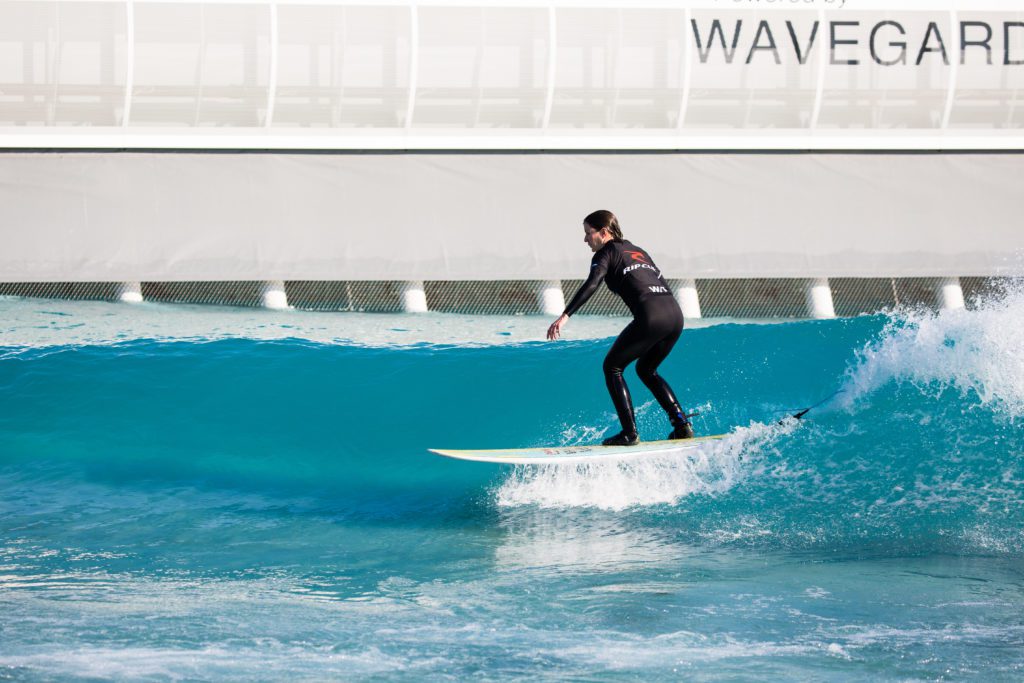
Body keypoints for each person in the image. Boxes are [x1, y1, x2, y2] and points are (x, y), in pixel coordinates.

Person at [547, 210, 694, 446]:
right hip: (675, 315)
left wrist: (565, 315)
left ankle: (629, 433)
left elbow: (592, 282)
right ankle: (681, 424)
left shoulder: (607, 251)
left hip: (651, 315)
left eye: (588, 233)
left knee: (612, 367)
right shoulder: (638, 251)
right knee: (647, 370)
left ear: (604, 233)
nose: (586, 240)